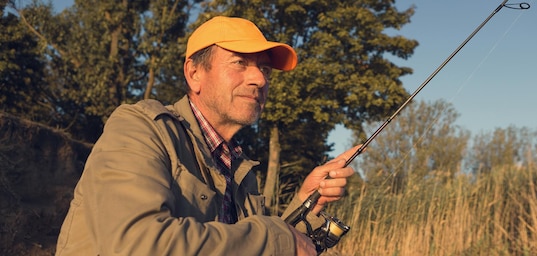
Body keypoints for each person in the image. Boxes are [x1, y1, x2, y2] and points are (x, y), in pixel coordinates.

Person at [55, 16, 358, 255]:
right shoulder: (140, 128)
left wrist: (306, 204)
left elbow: (241, 246)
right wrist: (277, 238)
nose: (259, 79)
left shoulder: (240, 169)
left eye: (264, 69)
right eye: (240, 62)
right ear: (194, 74)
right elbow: (136, 246)